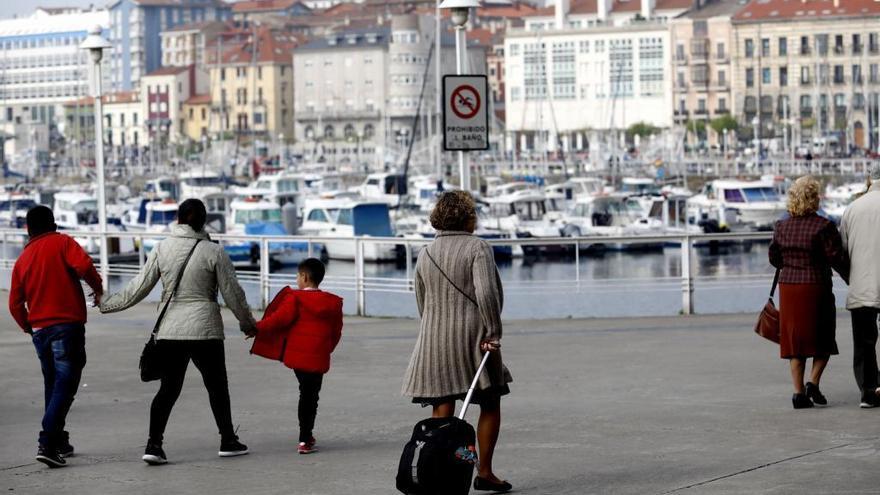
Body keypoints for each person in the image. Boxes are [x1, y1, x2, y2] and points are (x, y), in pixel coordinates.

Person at [99, 199, 257, 465]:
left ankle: (154, 445)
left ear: (178, 218)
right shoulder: (213, 251)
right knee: (217, 386)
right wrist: (247, 323)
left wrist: (107, 304)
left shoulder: (162, 248)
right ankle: (228, 440)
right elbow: (233, 294)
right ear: (204, 221)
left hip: (171, 330)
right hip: (205, 330)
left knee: (169, 389)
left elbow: (139, 288)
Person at [402, 191, 513, 493]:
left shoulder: (426, 252)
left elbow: (421, 299)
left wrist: (434, 327)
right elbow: (487, 294)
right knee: (489, 402)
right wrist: (492, 332)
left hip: (434, 340)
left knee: (443, 410)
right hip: (473, 339)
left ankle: (445, 472)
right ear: (467, 217)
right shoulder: (477, 247)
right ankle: (485, 472)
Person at [9, 206, 103, 468]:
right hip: (66, 326)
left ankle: (59, 439)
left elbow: (15, 303)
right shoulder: (62, 243)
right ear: (53, 223)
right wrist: (98, 289)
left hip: (40, 330)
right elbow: (84, 265)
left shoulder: (23, 259)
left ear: (28, 229)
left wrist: (28, 327)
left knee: (53, 384)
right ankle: (47, 442)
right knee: (66, 384)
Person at [769, 176, 849, 409]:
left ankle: (798, 393)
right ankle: (813, 382)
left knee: (795, 341)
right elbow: (836, 258)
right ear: (814, 199)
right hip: (816, 287)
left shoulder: (781, 227)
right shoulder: (823, 226)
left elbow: (774, 258)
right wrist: (851, 278)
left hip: (790, 288)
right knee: (823, 337)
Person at [249, 258, 343, 455]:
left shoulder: (296, 298)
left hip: (299, 359)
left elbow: (278, 320)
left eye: (298, 276)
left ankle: (305, 438)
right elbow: (336, 332)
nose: (297, 280)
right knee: (310, 396)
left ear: (304, 277)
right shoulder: (333, 303)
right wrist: (326, 348)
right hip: (318, 357)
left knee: (305, 394)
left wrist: (256, 328)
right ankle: (305, 438)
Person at [840, 164, 880, 408]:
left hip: (862, 285)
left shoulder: (852, 208)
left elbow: (842, 250)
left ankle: (868, 392)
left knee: (864, 342)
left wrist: (851, 277)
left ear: (869, 179)